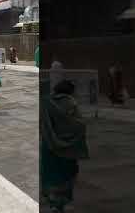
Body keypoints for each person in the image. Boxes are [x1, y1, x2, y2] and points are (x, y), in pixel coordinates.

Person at [41, 80, 89, 213]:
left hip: (49, 145)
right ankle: (64, 202)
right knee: (67, 172)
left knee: (52, 173)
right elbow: (78, 124)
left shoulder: (46, 102)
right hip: (68, 147)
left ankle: (53, 204)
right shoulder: (71, 103)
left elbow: (42, 123)